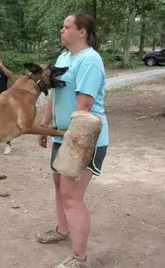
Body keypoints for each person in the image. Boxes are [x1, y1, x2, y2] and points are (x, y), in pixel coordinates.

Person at [36, 13, 109, 268]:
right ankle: (62, 229)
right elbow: (53, 94)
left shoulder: (89, 60)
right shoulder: (64, 57)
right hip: (63, 135)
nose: (61, 30)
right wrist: (46, 125)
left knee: (72, 196)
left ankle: (80, 257)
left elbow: (85, 106)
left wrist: (69, 141)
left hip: (84, 138)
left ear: (82, 32)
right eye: (62, 26)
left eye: (66, 27)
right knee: (59, 185)